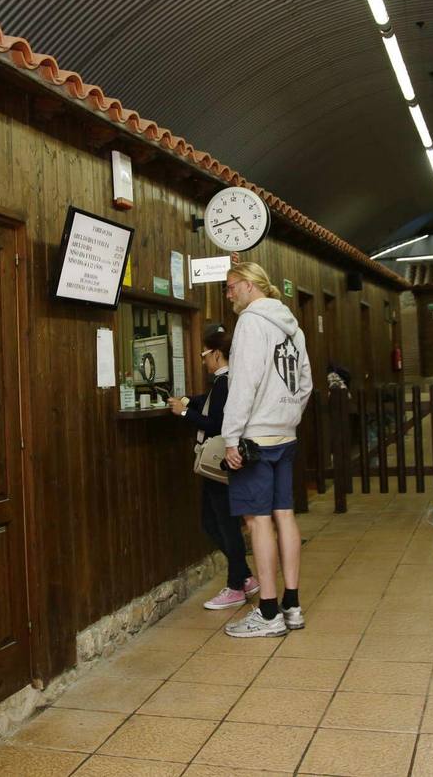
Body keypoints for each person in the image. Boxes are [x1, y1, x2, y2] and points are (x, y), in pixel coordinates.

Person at [220, 263, 313, 638]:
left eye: (229, 288)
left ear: (247, 286)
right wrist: (287, 416)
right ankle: (292, 605)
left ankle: (269, 612)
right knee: (285, 516)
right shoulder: (292, 325)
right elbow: (304, 382)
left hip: (255, 438)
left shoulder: (251, 322)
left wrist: (231, 436)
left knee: (259, 521)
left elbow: (244, 382)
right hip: (285, 434)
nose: (227, 295)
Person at [168, 329, 259, 609]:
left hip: (219, 463)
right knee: (213, 521)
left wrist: (184, 413)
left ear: (216, 354)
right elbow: (209, 404)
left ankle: (235, 585)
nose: (202, 360)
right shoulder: (225, 382)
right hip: (222, 464)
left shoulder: (224, 383)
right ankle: (244, 576)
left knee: (224, 523)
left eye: (204, 354)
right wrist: (190, 401)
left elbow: (217, 424)